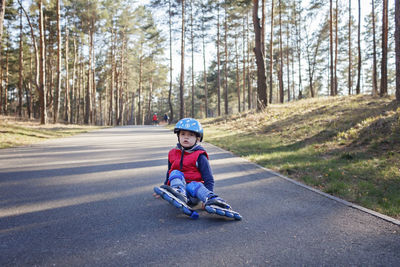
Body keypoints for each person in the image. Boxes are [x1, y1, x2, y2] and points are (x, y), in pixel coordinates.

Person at [154, 118, 241, 219]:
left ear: (198, 138)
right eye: (183, 134)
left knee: (194, 185)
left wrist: (205, 199)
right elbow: (169, 173)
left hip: (194, 193)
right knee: (174, 173)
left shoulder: (200, 156)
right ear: (178, 136)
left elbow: (208, 178)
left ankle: (211, 199)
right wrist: (165, 189)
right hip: (180, 189)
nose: (186, 137)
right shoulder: (172, 153)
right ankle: (178, 193)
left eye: (190, 135)